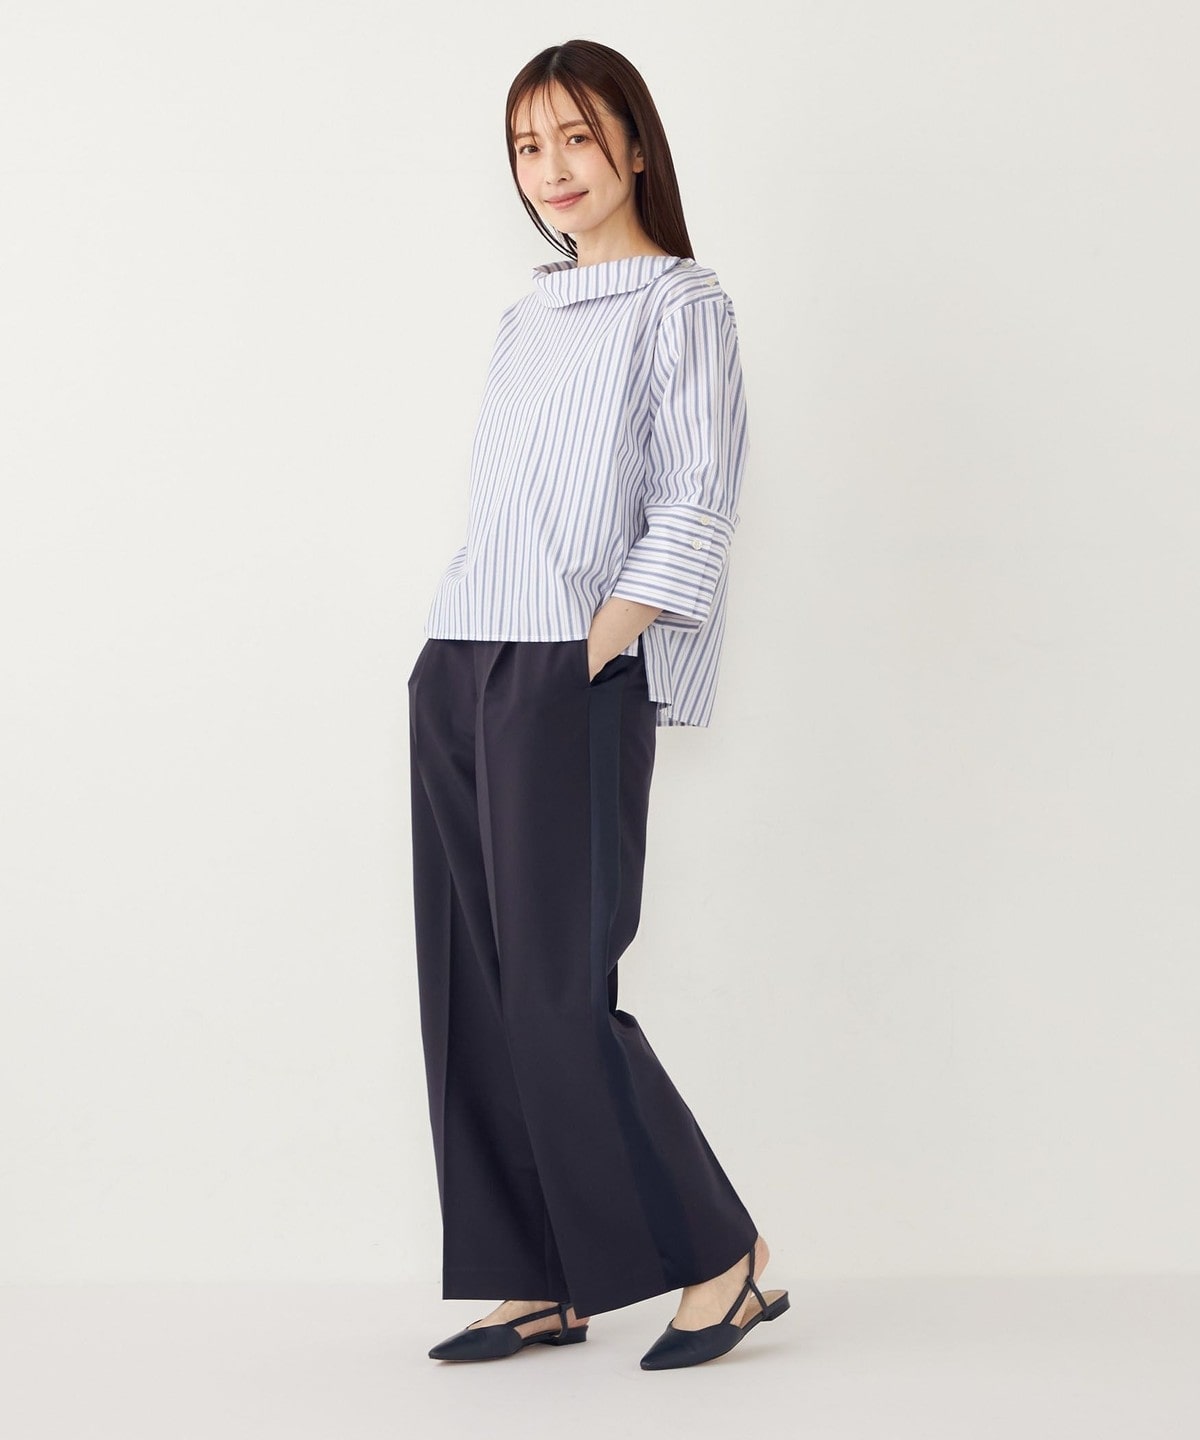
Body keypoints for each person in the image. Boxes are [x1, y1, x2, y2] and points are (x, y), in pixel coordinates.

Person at [407, 38, 789, 1370]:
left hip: (567, 669)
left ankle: (723, 1256)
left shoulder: (684, 304)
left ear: (634, 144)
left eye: (577, 136)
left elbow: (696, 501)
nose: (552, 169)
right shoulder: (526, 316)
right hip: (463, 655)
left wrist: (587, 655)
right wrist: (454, 659)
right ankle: (536, 1275)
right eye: (528, 146)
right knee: (472, 985)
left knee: (557, 989)